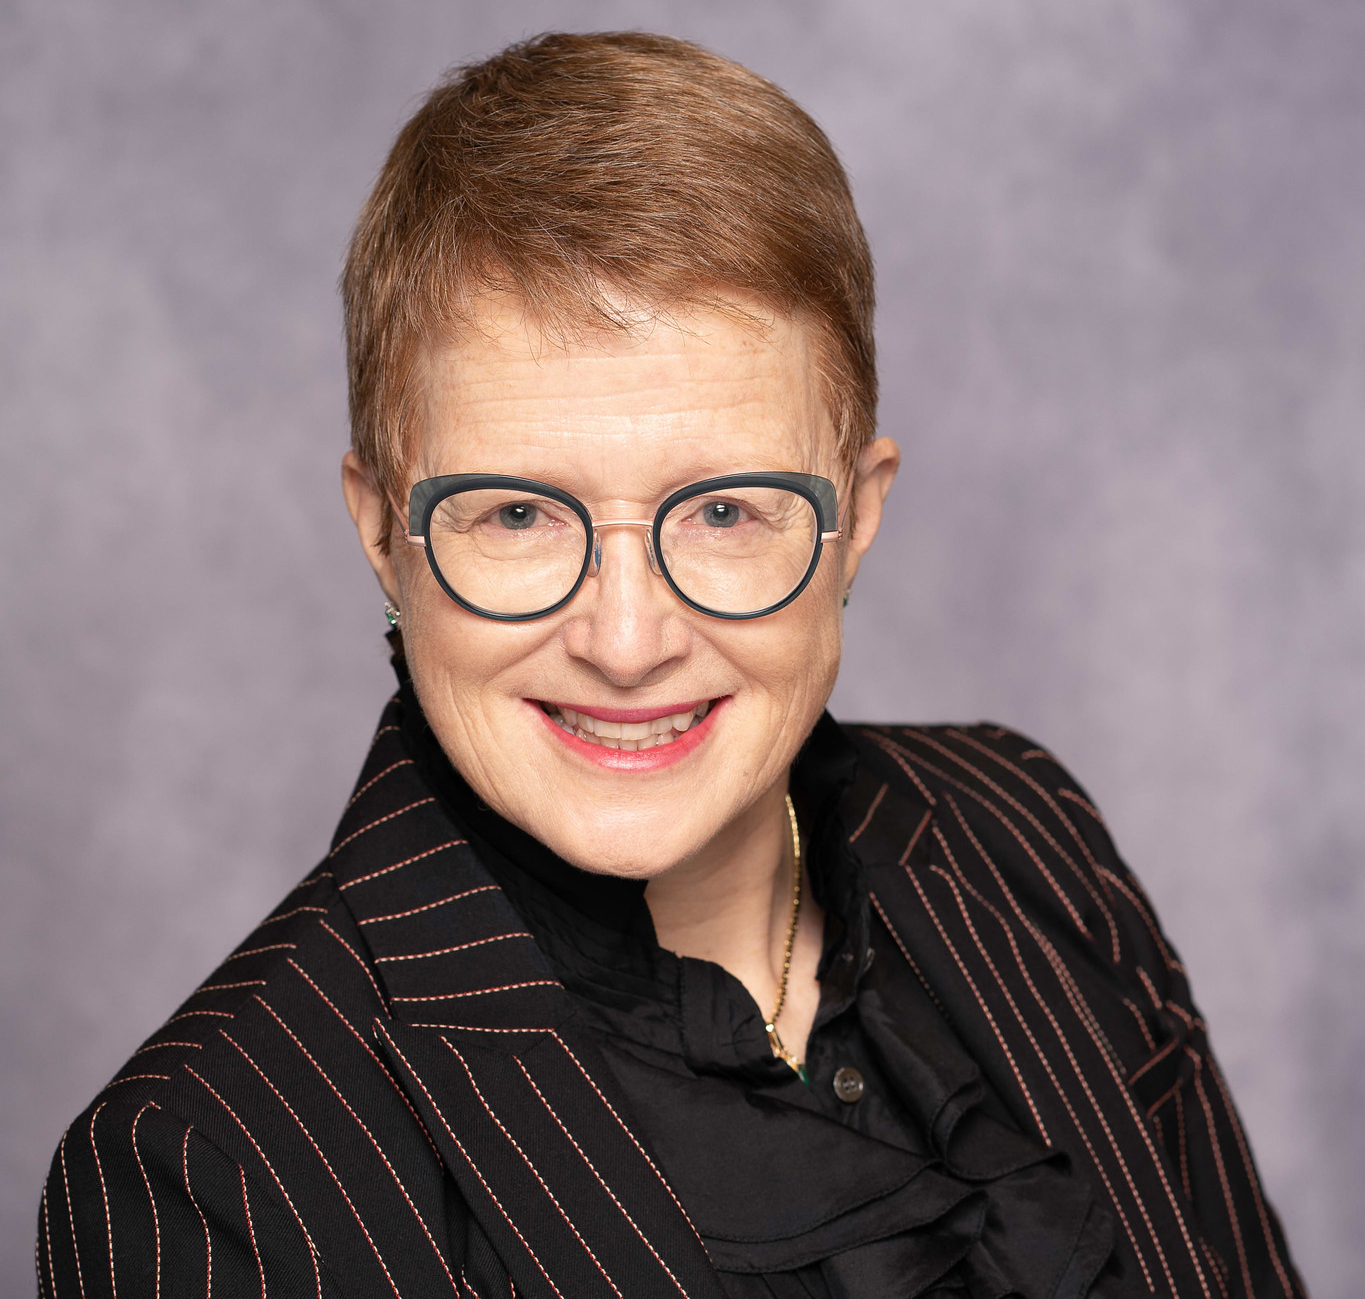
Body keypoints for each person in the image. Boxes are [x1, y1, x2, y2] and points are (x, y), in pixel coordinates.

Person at [38, 31, 1304, 1299]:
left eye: (725, 511)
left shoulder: (1024, 830)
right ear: (382, 534)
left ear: (858, 517)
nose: (628, 641)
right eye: (519, 515)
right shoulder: (211, 1168)